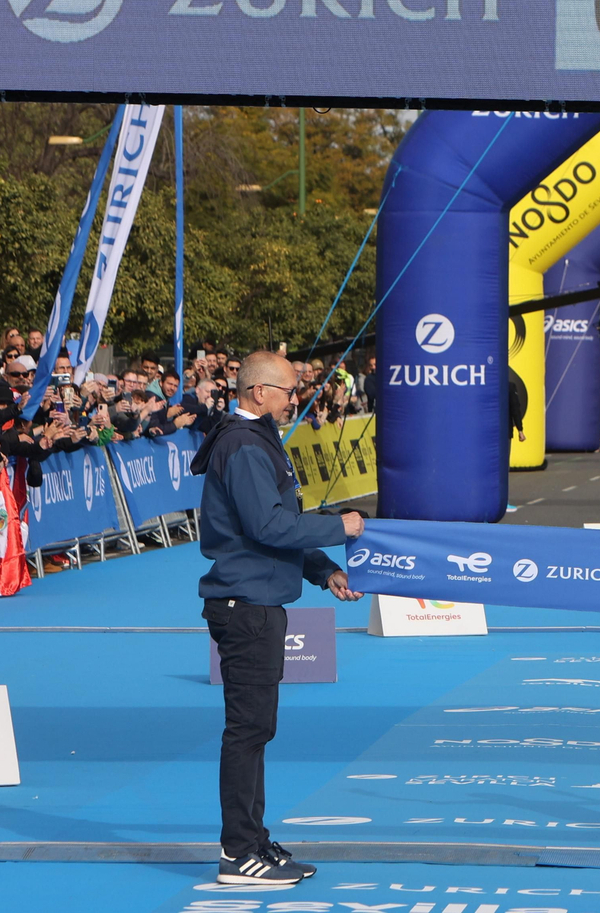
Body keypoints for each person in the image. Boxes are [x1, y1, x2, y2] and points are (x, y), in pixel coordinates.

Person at [193, 350, 366, 886]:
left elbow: (281, 522)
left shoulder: (254, 439)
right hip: (245, 606)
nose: (298, 397)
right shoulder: (244, 445)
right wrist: (341, 527)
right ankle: (238, 850)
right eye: (290, 390)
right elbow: (269, 526)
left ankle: (252, 839)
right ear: (258, 392)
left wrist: (322, 570)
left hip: (260, 601)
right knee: (247, 730)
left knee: (257, 728)